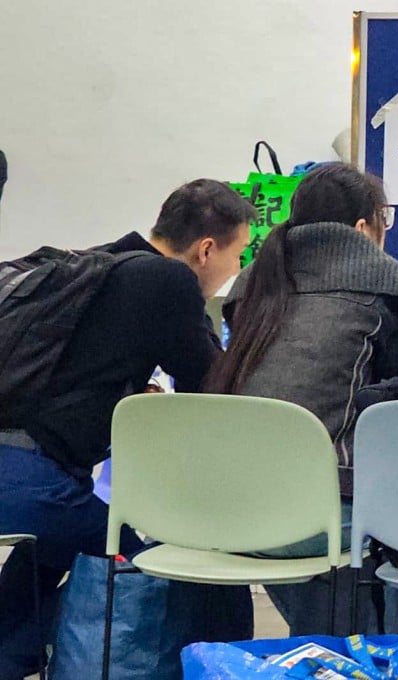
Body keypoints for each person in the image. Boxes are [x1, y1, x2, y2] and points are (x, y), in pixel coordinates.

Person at [0, 179, 255, 679]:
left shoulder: (102, 262)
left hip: (27, 475)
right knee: (145, 569)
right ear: (207, 250)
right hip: (34, 480)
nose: (237, 268)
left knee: (51, 553)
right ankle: (221, 667)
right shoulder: (168, 281)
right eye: (239, 254)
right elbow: (210, 385)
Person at [203, 162, 398, 636]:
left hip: (226, 509)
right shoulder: (382, 280)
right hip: (315, 519)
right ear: (363, 228)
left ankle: (326, 648)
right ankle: (390, 655)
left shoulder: (252, 282)